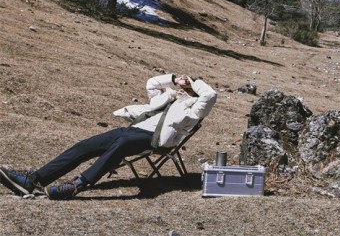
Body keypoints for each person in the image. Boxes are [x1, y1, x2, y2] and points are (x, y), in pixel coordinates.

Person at [0, 73, 217, 200]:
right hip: (132, 130)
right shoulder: (164, 98)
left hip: (153, 139)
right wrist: (172, 80)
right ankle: (35, 179)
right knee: (85, 145)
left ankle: (78, 185)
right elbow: (151, 83)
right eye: (181, 89)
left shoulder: (193, 110)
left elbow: (210, 95)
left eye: (187, 92)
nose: (181, 91)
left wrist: (191, 82)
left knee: (121, 143)